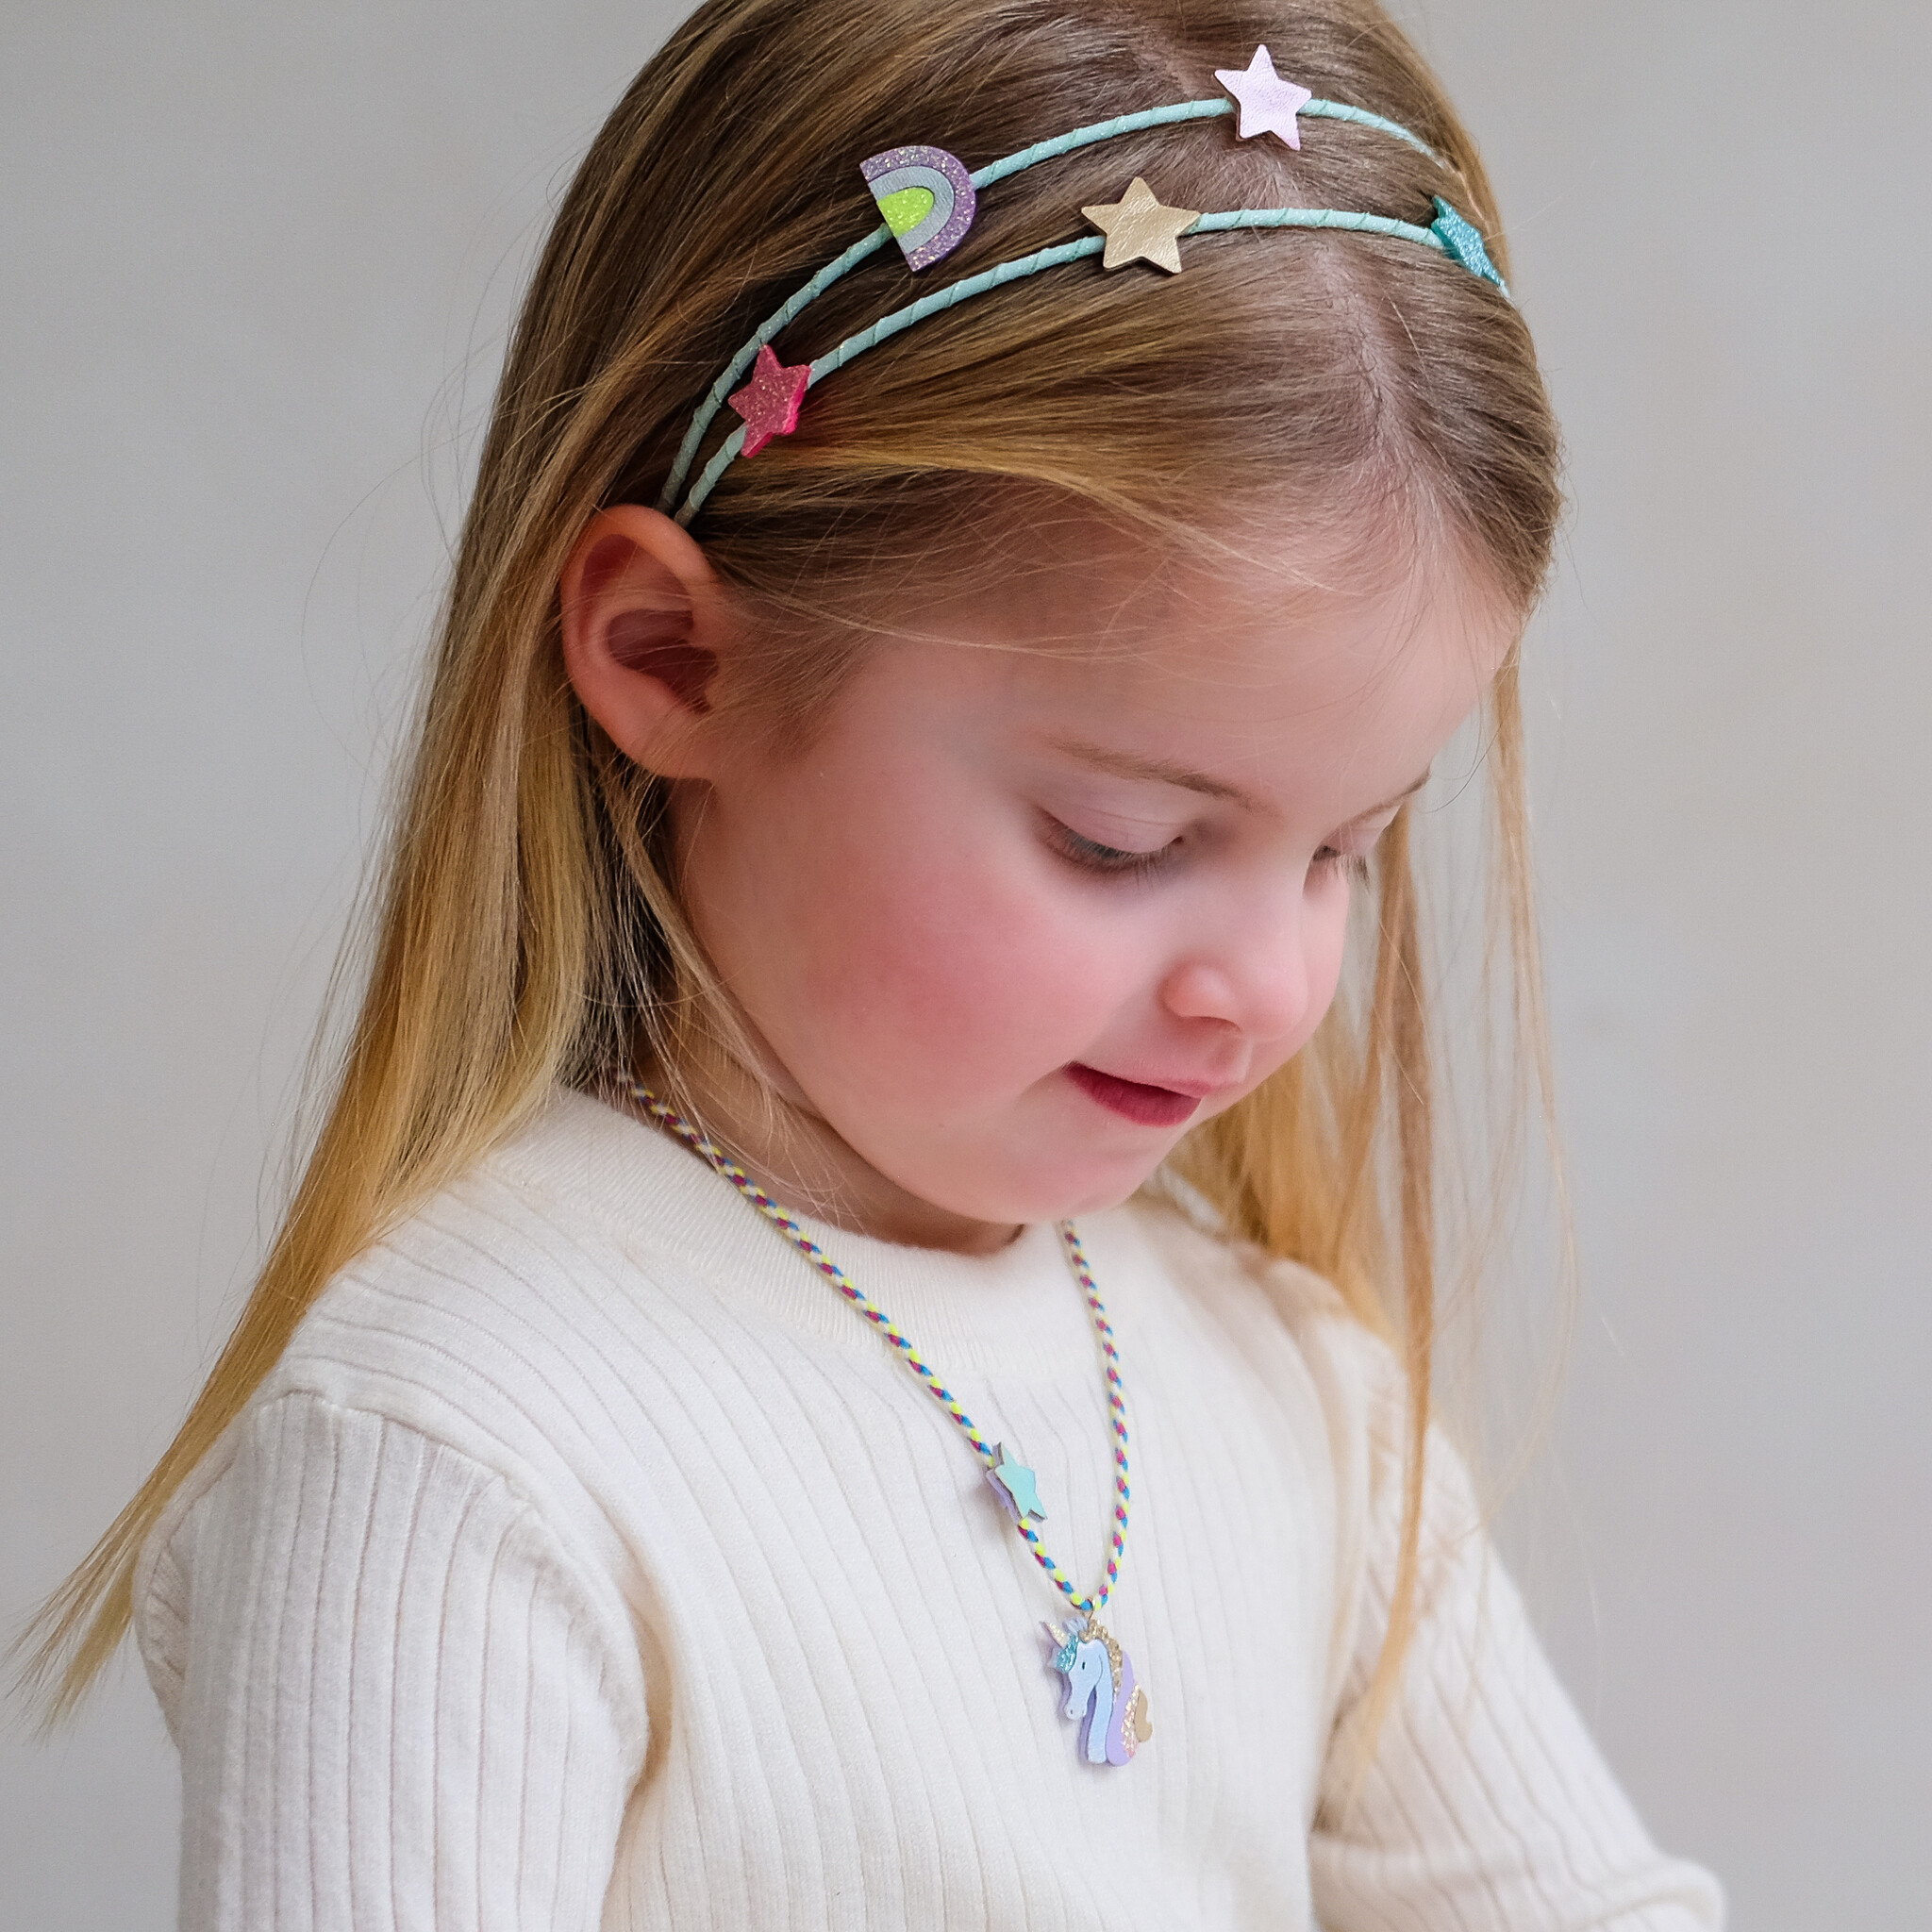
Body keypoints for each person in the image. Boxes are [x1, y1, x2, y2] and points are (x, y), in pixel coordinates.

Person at [21, 0, 1726, 1924]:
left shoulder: (1296, 1399)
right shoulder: (460, 1445)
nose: (1266, 986)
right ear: (676, 657)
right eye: (1122, 840)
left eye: (1348, 851)